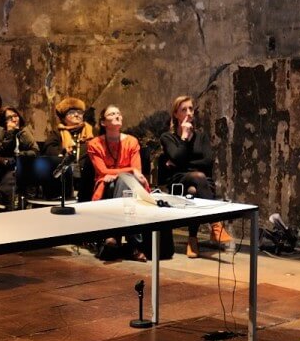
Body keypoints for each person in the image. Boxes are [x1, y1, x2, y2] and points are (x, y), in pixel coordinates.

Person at [159, 95, 232, 258]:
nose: (189, 113)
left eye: (191, 109)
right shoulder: (168, 137)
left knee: (194, 189)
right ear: (176, 114)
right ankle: (215, 224)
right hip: (178, 180)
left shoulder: (202, 136)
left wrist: (179, 161)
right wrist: (184, 137)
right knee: (197, 179)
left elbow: (207, 161)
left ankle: (193, 240)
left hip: (201, 182)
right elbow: (177, 156)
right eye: (184, 109)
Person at [88, 105, 153, 260]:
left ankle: (113, 235)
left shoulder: (131, 141)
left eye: (119, 113)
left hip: (130, 184)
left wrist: (123, 174)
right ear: (103, 122)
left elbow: (137, 170)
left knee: (124, 182)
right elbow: (103, 171)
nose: (117, 115)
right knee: (118, 182)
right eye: (112, 114)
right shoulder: (95, 144)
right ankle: (134, 246)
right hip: (106, 184)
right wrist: (127, 171)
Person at [0, 106, 38, 206]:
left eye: (15, 116)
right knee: (11, 181)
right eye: (9, 118)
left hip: (23, 167)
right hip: (3, 171)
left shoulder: (24, 131)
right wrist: (10, 133)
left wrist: (18, 156)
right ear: (4, 121)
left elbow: (35, 151)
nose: (14, 119)